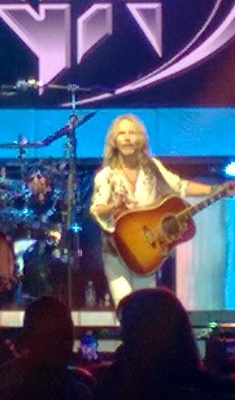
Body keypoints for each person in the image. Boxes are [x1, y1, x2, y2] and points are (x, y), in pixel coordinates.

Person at [89, 113, 227, 307]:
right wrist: (113, 206)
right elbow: (97, 210)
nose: (127, 138)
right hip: (116, 252)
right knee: (125, 307)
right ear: (114, 140)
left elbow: (180, 186)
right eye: (122, 134)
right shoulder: (106, 175)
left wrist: (215, 190)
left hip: (148, 253)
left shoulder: (152, 168)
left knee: (146, 308)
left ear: (140, 139)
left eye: (132, 133)